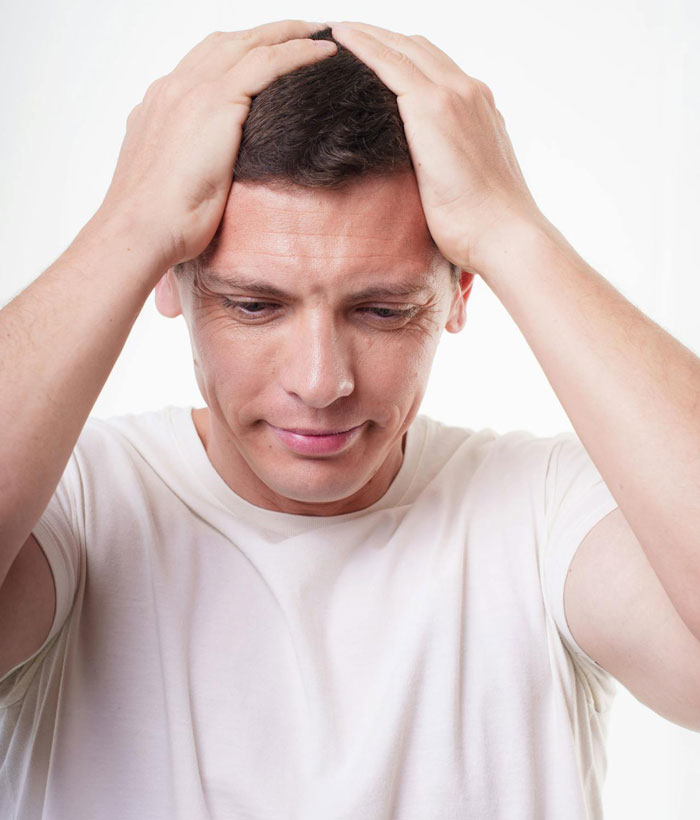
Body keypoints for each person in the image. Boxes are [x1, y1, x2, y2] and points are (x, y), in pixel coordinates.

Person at [1, 18, 698, 820]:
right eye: (256, 306)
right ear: (166, 280)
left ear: (458, 295)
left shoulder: (547, 517)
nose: (321, 381)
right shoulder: (76, 507)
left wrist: (514, 231)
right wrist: (128, 226)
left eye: (382, 309)